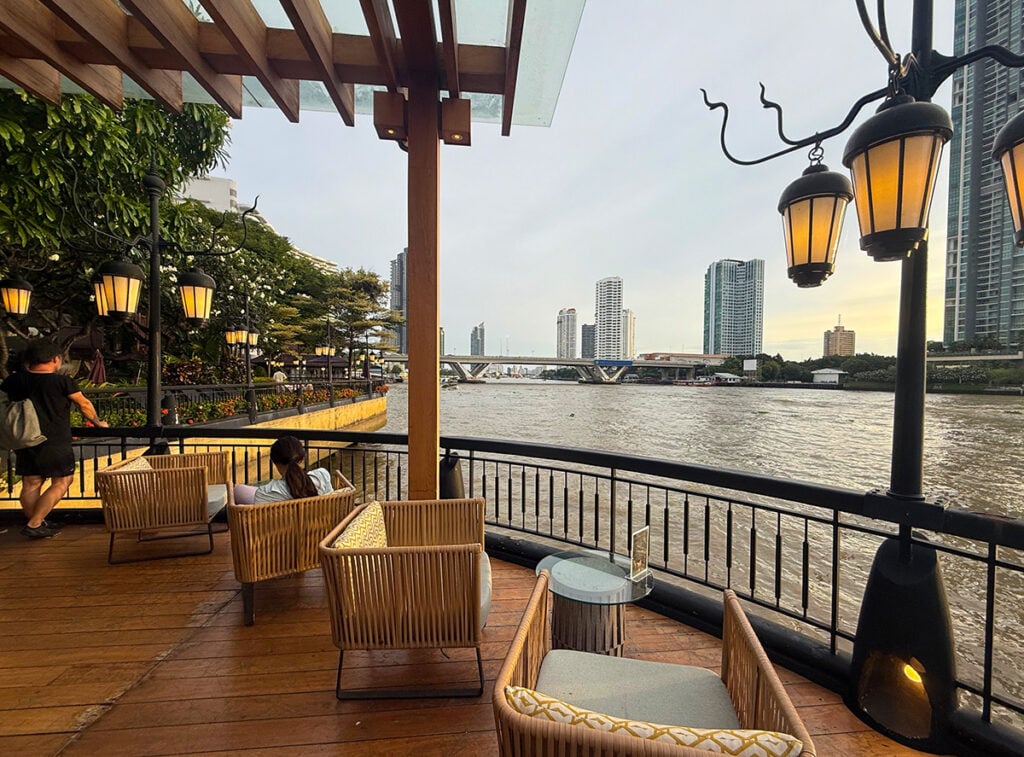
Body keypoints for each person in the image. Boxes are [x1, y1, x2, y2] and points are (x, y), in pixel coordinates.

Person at [1, 339, 108, 538]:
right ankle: (35, 523)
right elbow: (83, 404)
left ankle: (37, 522)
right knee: (63, 480)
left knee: (31, 483)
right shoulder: (61, 382)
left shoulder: (14, 381)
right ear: (55, 359)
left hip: (24, 438)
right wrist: (97, 422)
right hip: (54, 440)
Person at [233, 435, 333, 504]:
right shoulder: (322, 476)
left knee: (237, 490)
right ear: (302, 459)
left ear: (275, 462)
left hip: (282, 534)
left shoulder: (267, 493)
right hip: (324, 532)